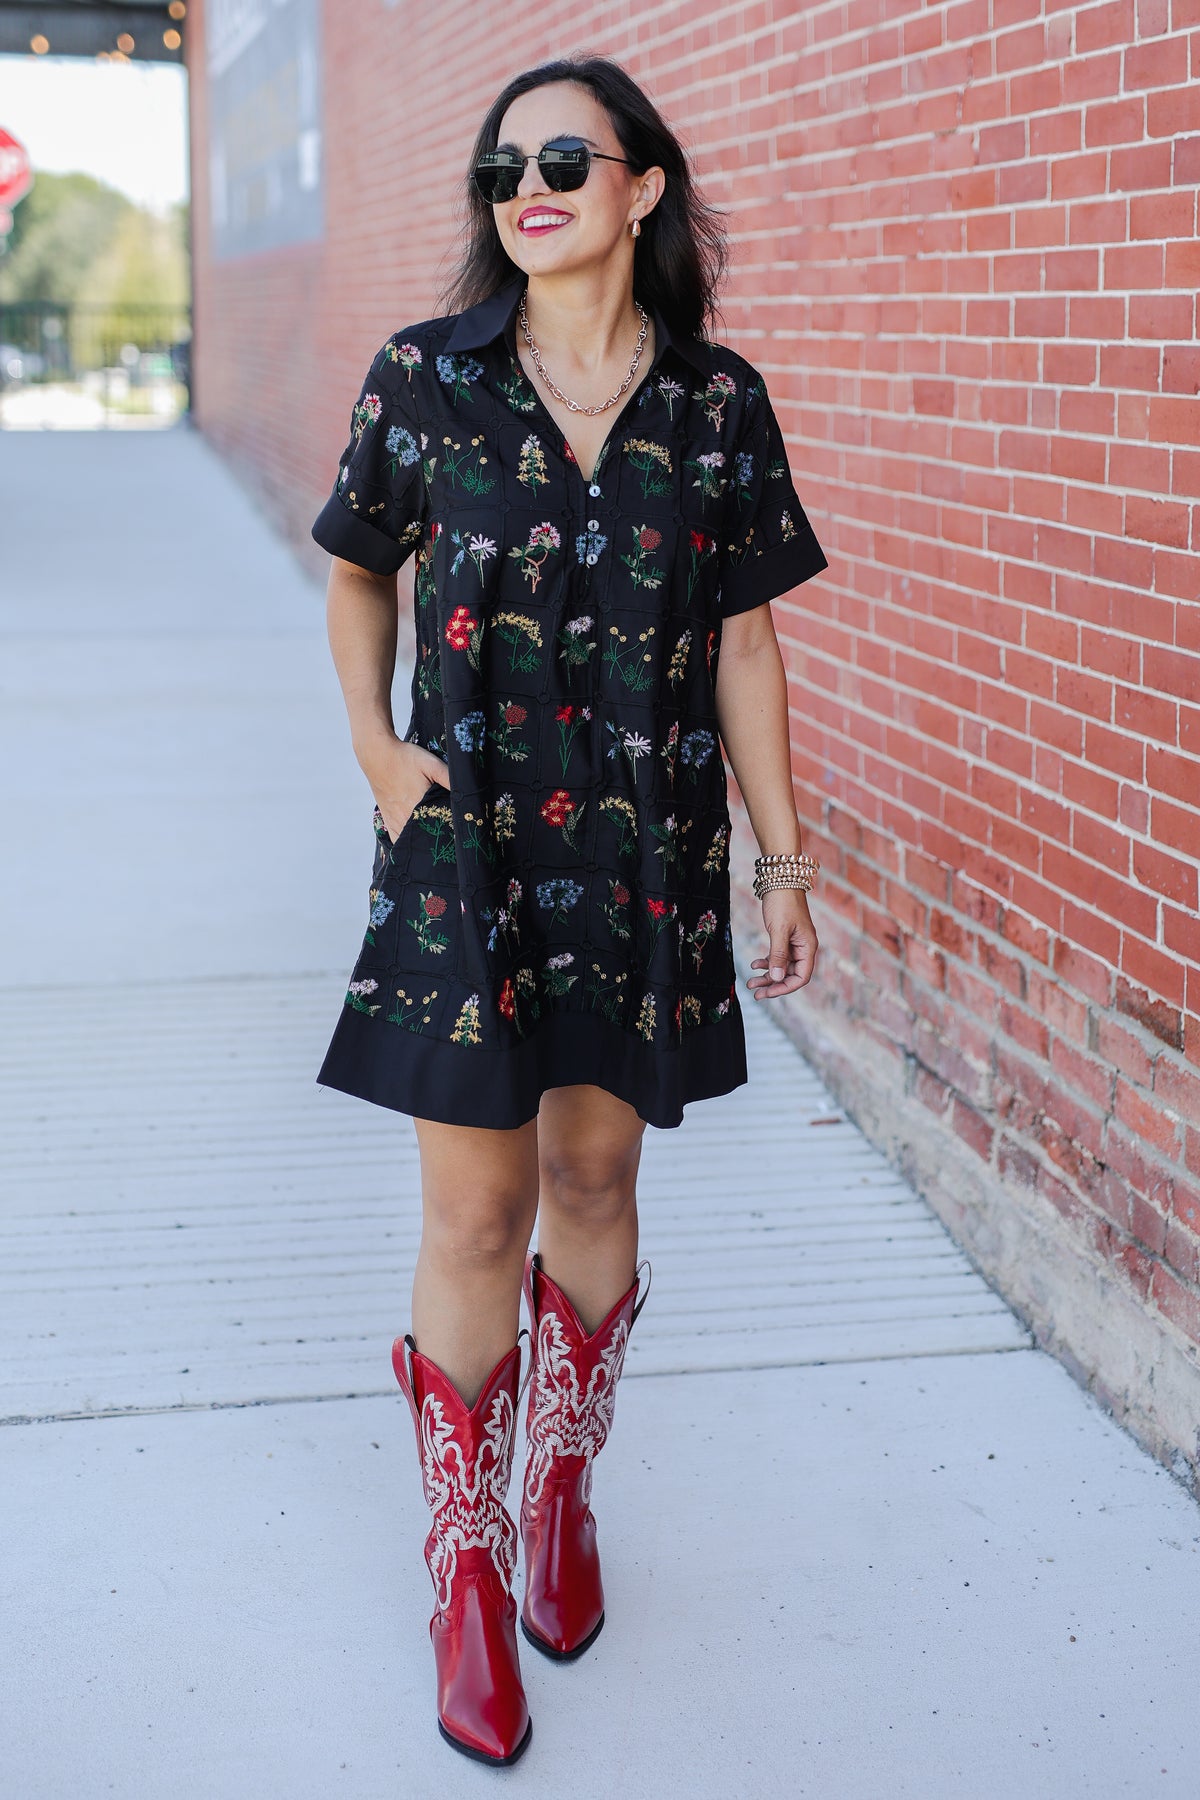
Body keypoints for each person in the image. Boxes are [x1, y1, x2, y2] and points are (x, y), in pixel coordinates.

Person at [311, 54, 828, 1768]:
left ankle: (561, 1491)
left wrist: (785, 854)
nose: (522, 189)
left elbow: (748, 638)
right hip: (467, 860)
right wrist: (381, 755)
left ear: (641, 188)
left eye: (559, 159)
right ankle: (463, 1564)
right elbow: (358, 567)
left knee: (598, 1175)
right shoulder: (425, 381)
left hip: (645, 858)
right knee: (477, 1215)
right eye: (498, 169)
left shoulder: (720, 404)